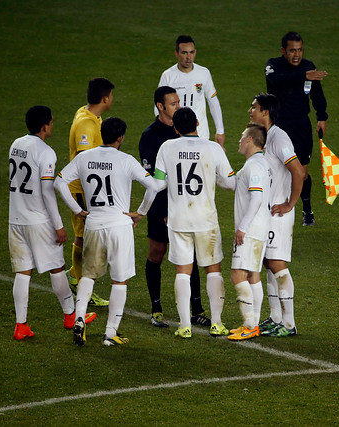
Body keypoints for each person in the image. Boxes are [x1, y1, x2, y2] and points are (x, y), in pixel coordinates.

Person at [54, 117, 161, 346]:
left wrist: (78, 210)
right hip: (119, 225)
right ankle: (110, 334)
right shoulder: (126, 160)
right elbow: (153, 187)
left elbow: (59, 182)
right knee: (119, 281)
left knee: (88, 277)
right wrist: (140, 212)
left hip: (93, 224)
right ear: (121, 137)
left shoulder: (85, 157)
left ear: (102, 134)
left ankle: (80, 318)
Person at [8, 105, 96, 340]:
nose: (53, 126)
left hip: (15, 219)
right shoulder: (46, 152)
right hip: (38, 220)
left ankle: (21, 325)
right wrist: (58, 225)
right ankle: (70, 315)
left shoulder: (15, 144)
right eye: (52, 122)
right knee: (57, 267)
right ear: (45, 126)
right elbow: (48, 191)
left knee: (23, 272)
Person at [153, 107, 236, 339]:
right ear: (198, 123)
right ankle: (216, 323)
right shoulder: (213, 148)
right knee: (213, 269)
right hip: (206, 219)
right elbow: (230, 183)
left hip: (179, 220)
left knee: (182, 271)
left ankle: (185, 326)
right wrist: (215, 179)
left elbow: (158, 184)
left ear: (175, 127)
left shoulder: (167, 147)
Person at [139, 86, 211, 328]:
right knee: (156, 253)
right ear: (160, 106)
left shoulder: (184, 133)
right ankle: (156, 308)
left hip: (186, 208)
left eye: (179, 102)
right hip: (162, 208)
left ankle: (197, 309)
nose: (177, 107)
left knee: (190, 255)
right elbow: (154, 183)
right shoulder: (150, 137)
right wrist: (164, 212)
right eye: (173, 103)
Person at [248, 94, 306, 337]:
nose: (250, 110)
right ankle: (275, 317)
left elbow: (298, 172)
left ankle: (289, 323)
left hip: (278, 215)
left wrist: (290, 203)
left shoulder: (279, 138)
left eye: (254, 107)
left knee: (277, 264)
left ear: (266, 112)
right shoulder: (264, 137)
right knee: (267, 263)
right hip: (267, 213)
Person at [265, 31, 328, 226]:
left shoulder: (308, 68)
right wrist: (303, 75)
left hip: (301, 126)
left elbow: (317, 94)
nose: (296, 55)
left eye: (300, 50)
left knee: (301, 172)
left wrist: (322, 116)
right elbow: (276, 81)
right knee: (275, 170)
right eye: (292, 50)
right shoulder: (273, 66)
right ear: (283, 51)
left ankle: (307, 209)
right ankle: (270, 207)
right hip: (278, 127)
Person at [66, 77, 115, 307]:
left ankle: (77, 277)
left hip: (89, 189)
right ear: (105, 98)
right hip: (83, 189)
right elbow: (85, 161)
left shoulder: (90, 115)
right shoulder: (86, 124)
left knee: (87, 236)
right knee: (84, 236)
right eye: (111, 96)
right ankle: (77, 279)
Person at [227, 123, 271, 341]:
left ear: (251, 140)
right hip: (259, 228)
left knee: (238, 274)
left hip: (251, 229)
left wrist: (242, 228)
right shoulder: (256, 164)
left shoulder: (254, 166)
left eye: (242, 137)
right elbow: (233, 183)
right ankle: (253, 324)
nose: (239, 140)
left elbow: (256, 197)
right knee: (253, 275)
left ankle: (250, 325)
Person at [158, 35, 225, 147]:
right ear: (176, 53)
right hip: (176, 134)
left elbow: (213, 101)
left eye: (191, 52)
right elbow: (158, 106)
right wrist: (165, 127)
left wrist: (220, 130)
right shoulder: (168, 76)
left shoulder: (203, 73)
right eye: (184, 53)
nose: (188, 57)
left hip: (200, 134)